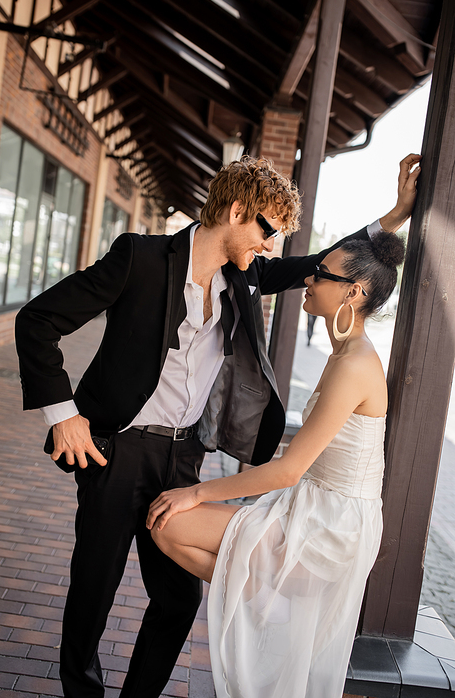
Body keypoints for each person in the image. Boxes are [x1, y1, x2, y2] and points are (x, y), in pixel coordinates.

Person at [14, 153, 420, 698]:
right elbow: (36, 321)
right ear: (234, 211)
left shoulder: (245, 273)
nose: (271, 246)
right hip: (119, 451)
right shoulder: (139, 257)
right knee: (94, 590)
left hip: (184, 459)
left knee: (178, 599)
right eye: (268, 230)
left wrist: (392, 217)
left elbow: (327, 266)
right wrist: (63, 416)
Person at [146, 230, 406, 698]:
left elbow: (290, 469)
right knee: (167, 529)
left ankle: (273, 608)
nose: (309, 277)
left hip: (331, 526)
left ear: (355, 292)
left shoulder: (355, 364)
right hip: (309, 504)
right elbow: (296, 468)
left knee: (170, 524)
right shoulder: (343, 354)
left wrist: (198, 490)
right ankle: (273, 607)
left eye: (322, 274)